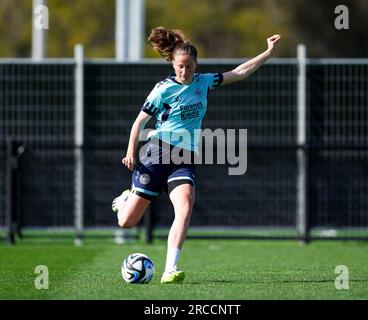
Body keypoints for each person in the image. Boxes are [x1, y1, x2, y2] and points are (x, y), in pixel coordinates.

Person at [112, 26, 281, 284]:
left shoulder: (204, 81)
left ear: (196, 64)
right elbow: (139, 122)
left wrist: (267, 52)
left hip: (184, 158)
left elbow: (239, 72)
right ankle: (125, 199)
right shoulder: (162, 90)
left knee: (186, 205)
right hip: (156, 155)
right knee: (126, 222)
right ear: (172, 63)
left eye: (189, 66)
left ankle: (170, 269)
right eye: (180, 66)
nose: (184, 71)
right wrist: (130, 152)